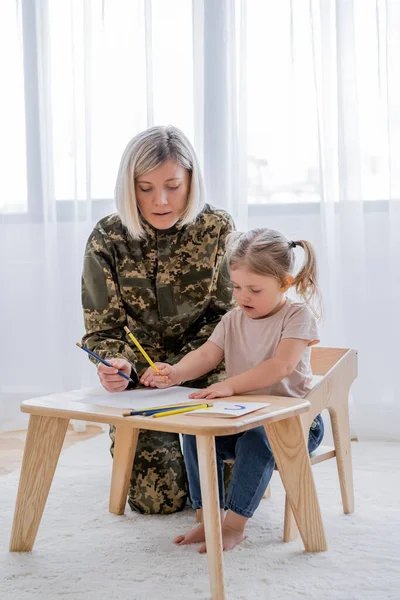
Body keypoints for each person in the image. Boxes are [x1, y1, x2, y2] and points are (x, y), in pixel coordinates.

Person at [81, 125, 235, 515]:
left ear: (191, 180)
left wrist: (182, 368)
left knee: (227, 497)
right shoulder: (107, 237)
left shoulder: (217, 228)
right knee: (157, 502)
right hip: (142, 379)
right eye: (145, 188)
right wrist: (117, 366)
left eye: (172, 185)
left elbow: (227, 317)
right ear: (128, 186)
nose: (161, 201)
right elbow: (103, 328)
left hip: (204, 366)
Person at [141, 227, 325, 551]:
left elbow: (280, 366)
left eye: (254, 289)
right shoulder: (231, 319)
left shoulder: (298, 316)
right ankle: (207, 518)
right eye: (237, 287)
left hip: (294, 424)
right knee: (195, 432)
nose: (243, 297)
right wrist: (175, 373)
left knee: (258, 439)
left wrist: (229, 385)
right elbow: (206, 355)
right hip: (242, 417)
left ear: (285, 284)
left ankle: (234, 525)